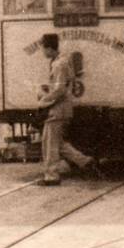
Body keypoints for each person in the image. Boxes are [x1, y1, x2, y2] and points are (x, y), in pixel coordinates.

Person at [38, 33, 97, 185]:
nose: (43, 52)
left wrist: (43, 101)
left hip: (57, 110)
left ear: (50, 48)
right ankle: (85, 161)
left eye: (44, 48)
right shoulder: (61, 61)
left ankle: (51, 176)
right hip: (62, 109)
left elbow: (59, 90)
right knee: (58, 143)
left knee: (49, 143)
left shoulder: (59, 64)